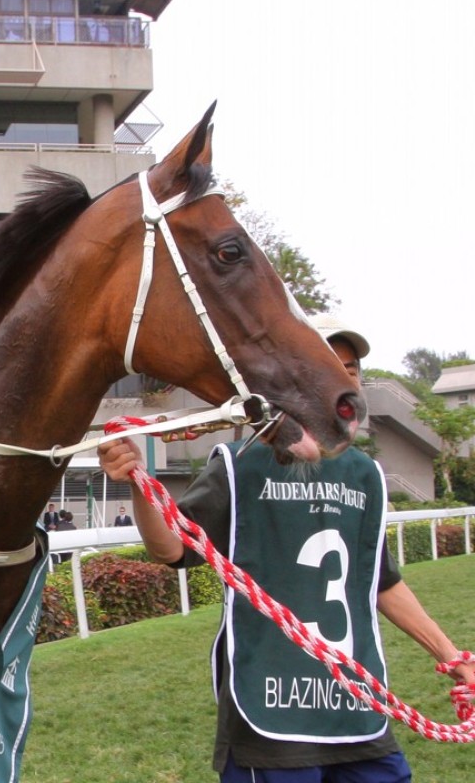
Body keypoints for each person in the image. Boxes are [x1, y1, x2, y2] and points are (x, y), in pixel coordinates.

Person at [96, 314, 475, 782]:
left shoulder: (366, 475)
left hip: (353, 702)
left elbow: (378, 581)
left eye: (351, 369)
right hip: (271, 709)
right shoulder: (239, 465)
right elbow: (173, 549)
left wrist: (452, 657)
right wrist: (137, 481)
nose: (343, 379)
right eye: (326, 364)